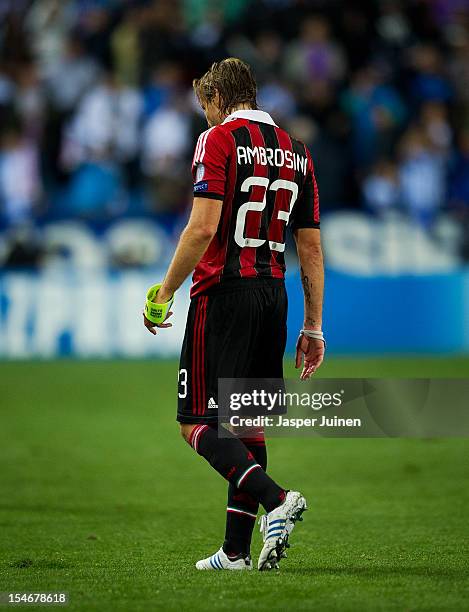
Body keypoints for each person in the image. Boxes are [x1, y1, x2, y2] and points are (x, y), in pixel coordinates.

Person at [143, 58, 325, 571]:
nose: (205, 118)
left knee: (196, 423)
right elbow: (310, 249)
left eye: (205, 107)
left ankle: (278, 500)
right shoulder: (297, 150)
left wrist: (165, 292)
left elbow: (201, 228)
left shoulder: (218, 140)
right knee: (246, 426)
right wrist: (313, 325)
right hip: (273, 295)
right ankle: (235, 553)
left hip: (223, 295)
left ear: (219, 98)